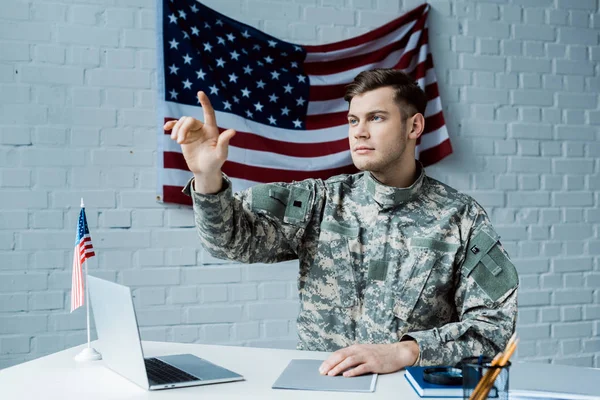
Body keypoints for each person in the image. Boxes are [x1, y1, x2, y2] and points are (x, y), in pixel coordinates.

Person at [164, 68, 518, 377]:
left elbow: (493, 330)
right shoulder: (320, 201)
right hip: (322, 387)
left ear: (415, 126)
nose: (359, 132)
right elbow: (230, 241)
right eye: (353, 120)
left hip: (410, 389)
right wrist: (207, 175)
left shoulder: (460, 216)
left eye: (376, 118)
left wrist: (403, 352)